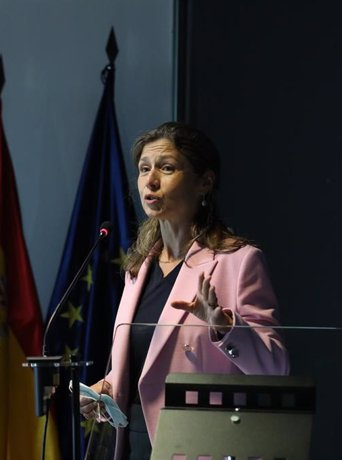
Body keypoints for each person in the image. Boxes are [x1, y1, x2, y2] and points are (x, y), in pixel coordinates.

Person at [79, 121, 289, 459]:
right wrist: (106, 389)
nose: (150, 180)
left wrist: (225, 329)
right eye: (144, 169)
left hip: (198, 446)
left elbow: (276, 367)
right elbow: (145, 368)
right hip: (132, 442)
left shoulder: (238, 262)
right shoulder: (138, 267)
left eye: (167, 168)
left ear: (204, 182)